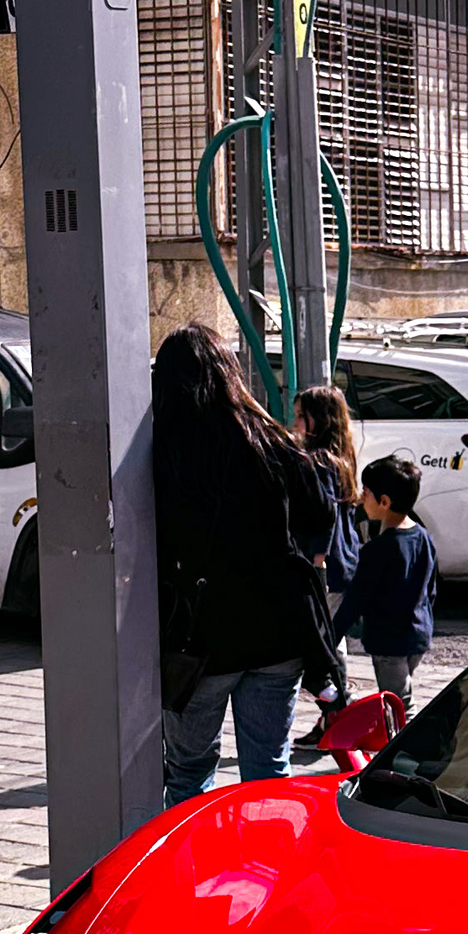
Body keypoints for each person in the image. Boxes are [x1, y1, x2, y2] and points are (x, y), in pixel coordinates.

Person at [150, 324, 334, 804]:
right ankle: (268, 871)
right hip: (277, 637)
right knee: (269, 771)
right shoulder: (272, 443)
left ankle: (192, 876)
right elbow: (321, 513)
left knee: (189, 775)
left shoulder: (161, 453)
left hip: (199, 644)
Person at [336, 453, 439, 701]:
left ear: (384, 501)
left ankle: (404, 740)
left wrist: (332, 635)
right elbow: (431, 589)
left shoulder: (379, 549)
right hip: (418, 633)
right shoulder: (422, 536)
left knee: (398, 703)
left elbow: (356, 599)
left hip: (389, 641)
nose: (361, 499)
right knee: (400, 695)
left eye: (366, 492)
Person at [292, 384, 361, 738]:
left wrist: (317, 561)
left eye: (301, 416)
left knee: (322, 647)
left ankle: (337, 715)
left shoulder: (317, 461)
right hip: (345, 562)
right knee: (333, 642)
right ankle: (334, 718)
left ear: (317, 420)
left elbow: (325, 516)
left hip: (326, 567)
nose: (295, 423)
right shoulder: (342, 456)